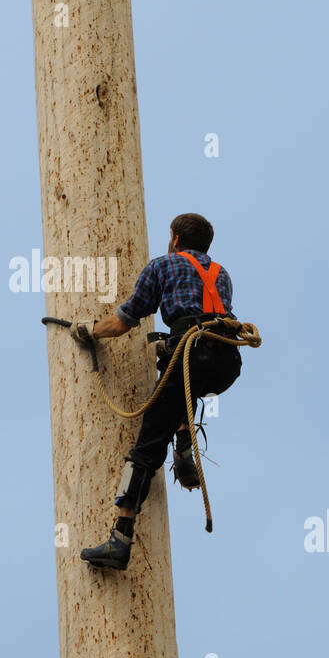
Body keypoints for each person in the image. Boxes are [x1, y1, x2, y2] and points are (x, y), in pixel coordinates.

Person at [73, 213, 243, 571]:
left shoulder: (163, 266)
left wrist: (89, 330)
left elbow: (124, 320)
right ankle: (183, 449)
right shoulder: (221, 274)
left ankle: (119, 540)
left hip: (193, 353)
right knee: (177, 373)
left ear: (176, 239)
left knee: (145, 450)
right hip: (226, 362)